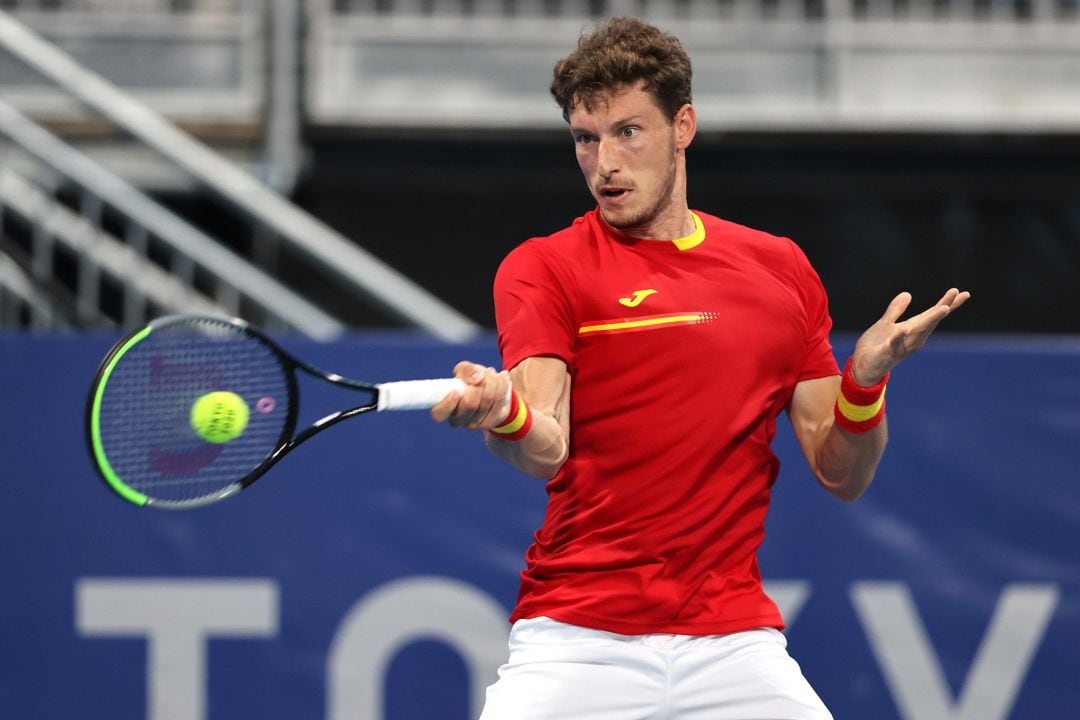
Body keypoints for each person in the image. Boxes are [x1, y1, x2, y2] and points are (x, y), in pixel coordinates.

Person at [431, 16, 970, 720]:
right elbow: (545, 446)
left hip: (734, 646)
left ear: (683, 126)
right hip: (579, 641)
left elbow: (842, 473)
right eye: (585, 139)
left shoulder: (780, 271)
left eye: (628, 131)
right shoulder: (544, 269)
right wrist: (503, 409)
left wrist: (863, 384)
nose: (604, 164)